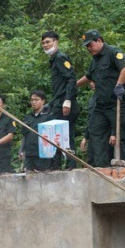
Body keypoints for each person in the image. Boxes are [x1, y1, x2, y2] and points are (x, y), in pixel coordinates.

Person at [76, 30, 125, 167]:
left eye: (90, 45)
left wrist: (119, 84)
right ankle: (100, 166)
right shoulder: (95, 60)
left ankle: (124, 165)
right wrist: (74, 85)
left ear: (99, 40)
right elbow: (89, 76)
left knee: (121, 135)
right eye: (87, 47)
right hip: (100, 104)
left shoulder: (113, 52)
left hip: (116, 102)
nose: (89, 49)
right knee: (96, 133)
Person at [41, 31, 79, 169]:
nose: (45, 45)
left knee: (66, 135)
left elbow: (71, 79)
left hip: (66, 104)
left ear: (56, 42)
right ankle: (55, 166)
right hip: (58, 102)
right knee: (55, 135)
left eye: (48, 42)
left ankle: (71, 164)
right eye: (43, 43)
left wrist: (68, 100)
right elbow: (60, 87)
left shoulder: (60, 57)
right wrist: (50, 103)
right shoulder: (53, 59)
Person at [19, 90, 53, 172]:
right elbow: (24, 135)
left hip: (43, 155)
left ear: (43, 101)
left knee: (43, 178)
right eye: (32, 100)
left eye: (36, 100)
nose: (33, 102)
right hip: (29, 154)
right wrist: (21, 150)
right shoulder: (28, 118)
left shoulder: (48, 117)